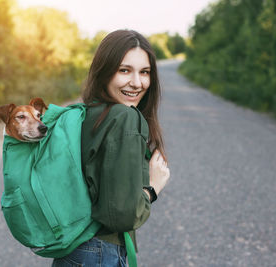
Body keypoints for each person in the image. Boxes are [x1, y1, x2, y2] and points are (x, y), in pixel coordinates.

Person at [52, 29, 170, 267]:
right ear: (105, 71)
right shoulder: (125, 118)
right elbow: (122, 215)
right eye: (124, 70)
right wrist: (152, 188)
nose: (137, 83)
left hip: (72, 253)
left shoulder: (86, 114)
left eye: (144, 72)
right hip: (99, 253)